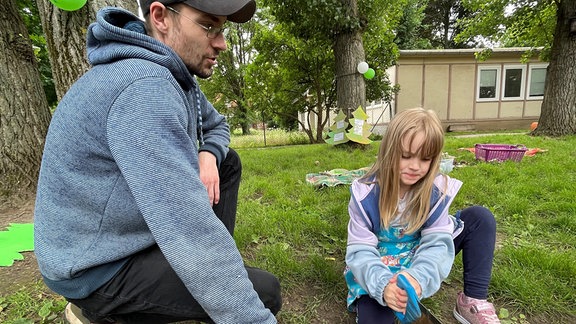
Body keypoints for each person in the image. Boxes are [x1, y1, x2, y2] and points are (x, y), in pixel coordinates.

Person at [33, 1, 281, 323]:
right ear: (161, 17)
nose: (221, 42)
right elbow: (186, 227)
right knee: (265, 292)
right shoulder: (145, 88)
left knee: (226, 162)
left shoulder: (175, 76)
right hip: (93, 266)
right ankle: (98, 313)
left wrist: (207, 155)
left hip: (116, 235)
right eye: (208, 26)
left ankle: (209, 274)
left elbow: (217, 124)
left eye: (222, 29)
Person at [344, 108, 501, 324]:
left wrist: (419, 277)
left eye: (425, 159)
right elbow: (359, 251)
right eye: (406, 156)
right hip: (381, 266)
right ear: (388, 151)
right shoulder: (365, 196)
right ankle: (382, 295)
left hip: (418, 253)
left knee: (479, 218)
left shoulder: (435, 191)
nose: (415, 167)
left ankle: (472, 300)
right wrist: (383, 286)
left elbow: (437, 244)